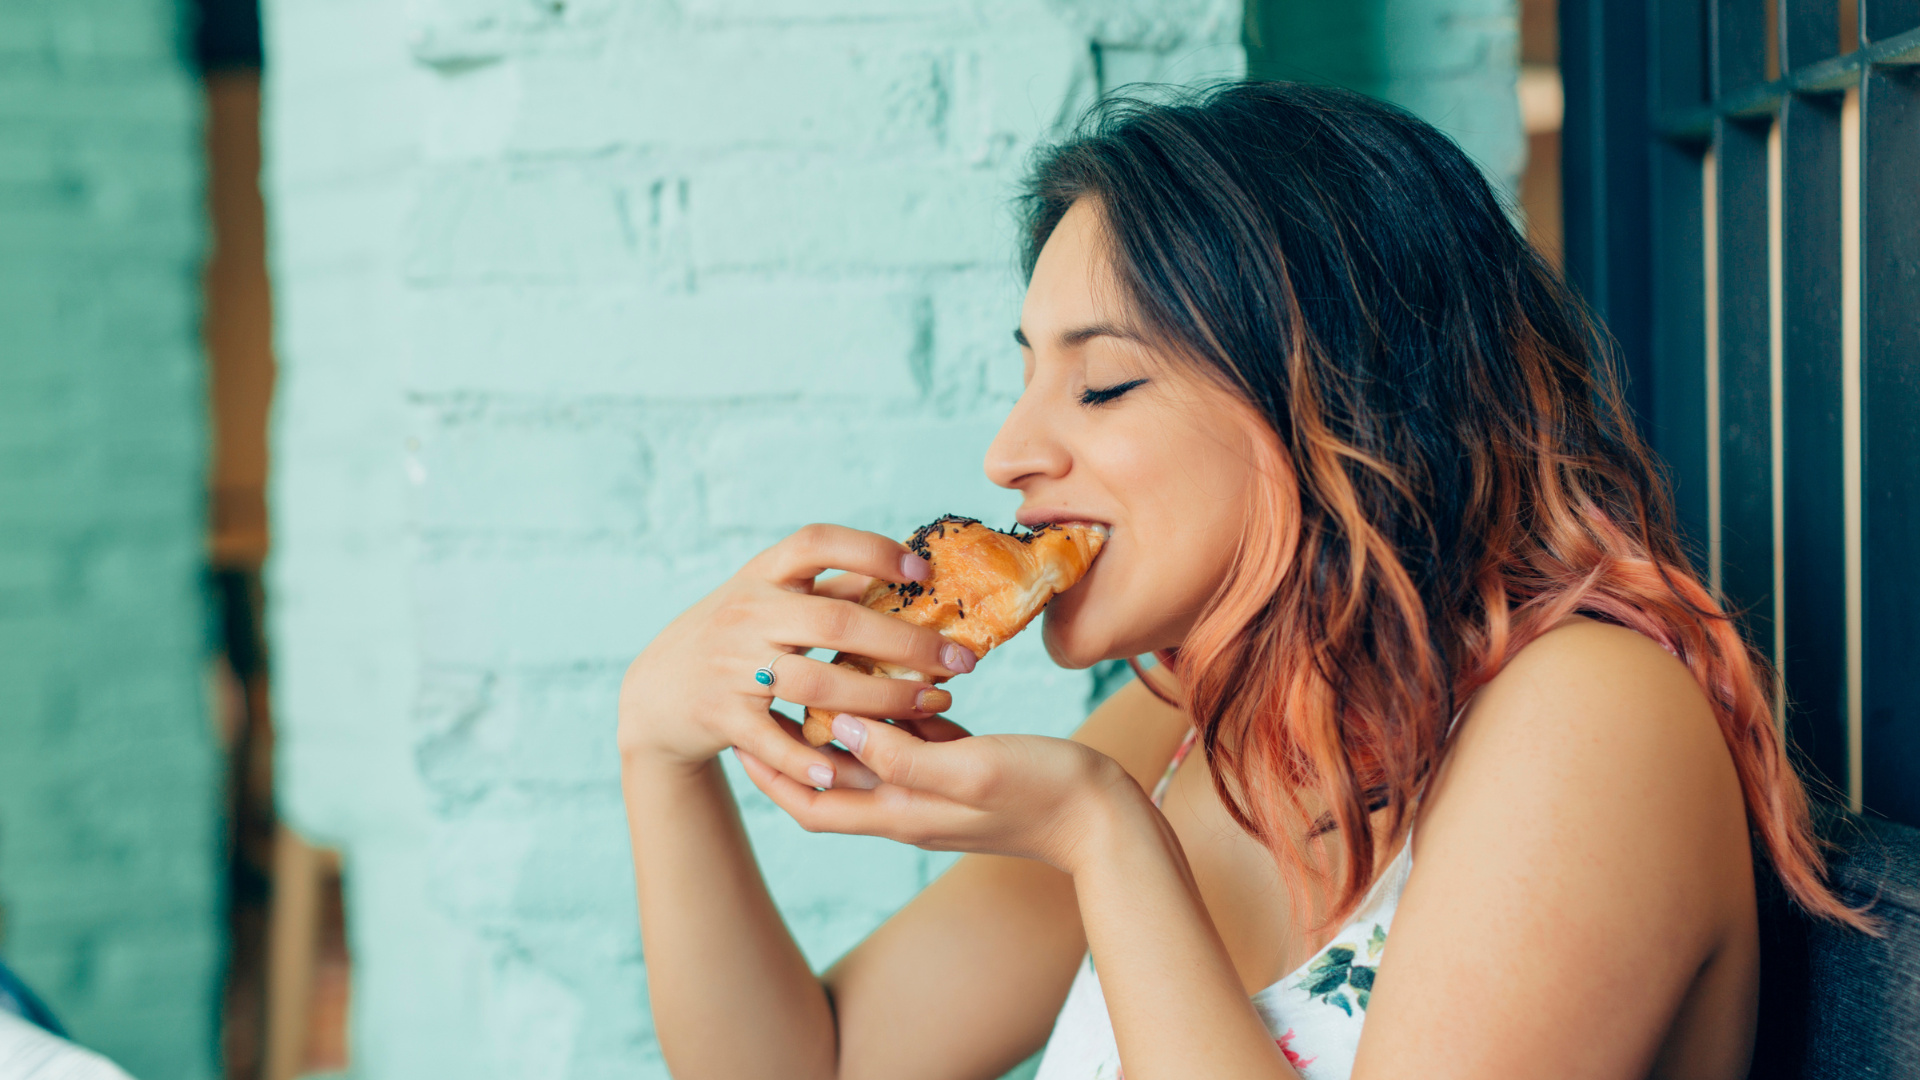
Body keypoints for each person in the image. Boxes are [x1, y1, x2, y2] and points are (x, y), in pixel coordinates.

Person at [617, 82, 1867, 1080]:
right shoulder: (1187, 723)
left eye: (1103, 385)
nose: (1009, 454)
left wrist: (1102, 839)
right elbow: (821, 1064)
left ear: (1334, 394)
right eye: (1027, 375)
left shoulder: (1591, 715)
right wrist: (658, 749)